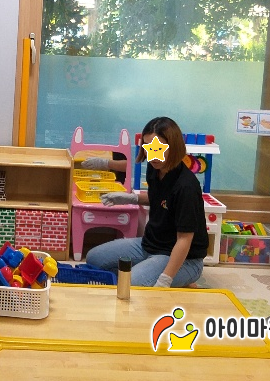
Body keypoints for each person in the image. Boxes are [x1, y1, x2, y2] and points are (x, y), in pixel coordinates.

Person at [85, 116, 208, 288]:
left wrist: (165, 280)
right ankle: (154, 272)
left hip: (185, 258)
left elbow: (184, 240)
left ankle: (180, 277)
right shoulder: (155, 167)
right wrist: (130, 198)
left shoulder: (186, 186)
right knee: (94, 259)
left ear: (173, 147)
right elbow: (161, 199)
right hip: (150, 245)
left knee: (130, 284)